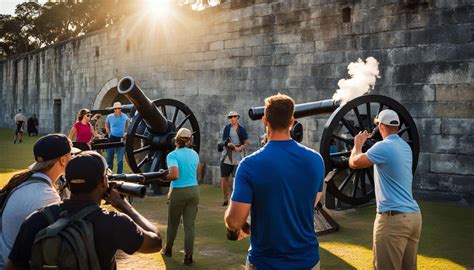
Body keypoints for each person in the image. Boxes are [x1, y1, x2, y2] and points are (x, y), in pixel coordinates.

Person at [7, 151, 162, 269]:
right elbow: (156, 242)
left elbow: (12, 266)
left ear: (68, 182)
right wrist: (124, 206)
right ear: (104, 182)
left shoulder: (37, 218)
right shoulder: (114, 223)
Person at [224, 94, 325, 269]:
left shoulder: (249, 165)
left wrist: (238, 223)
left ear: (264, 121)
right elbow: (311, 202)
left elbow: (234, 221)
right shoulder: (316, 159)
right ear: (292, 121)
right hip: (307, 260)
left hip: (266, 261)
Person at [349, 109, 422, 270]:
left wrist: (358, 144)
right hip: (414, 217)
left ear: (381, 127)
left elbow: (354, 162)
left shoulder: (383, 147)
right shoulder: (405, 147)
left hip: (393, 219)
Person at [0, 134, 80, 268]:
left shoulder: (26, 182)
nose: (72, 158)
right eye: (70, 155)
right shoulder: (46, 196)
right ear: (62, 160)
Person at [161, 128, 200, 265]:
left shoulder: (172, 155)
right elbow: (197, 173)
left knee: (173, 224)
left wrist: (163, 176)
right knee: (189, 226)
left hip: (179, 191)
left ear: (176, 139)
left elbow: (175, 175)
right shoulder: (195, 154)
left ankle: (168, 250)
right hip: (194, 190)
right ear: (190, 140)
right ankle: (188, 256)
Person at [219, 111, 249, 206]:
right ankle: (225, 198)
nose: (232, 118)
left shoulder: (241, 129)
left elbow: (246, 142)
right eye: (230, 117)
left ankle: (235, 198)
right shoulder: (227, 128)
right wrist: (230, 145)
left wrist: (240, 147)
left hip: (238, 155)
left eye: (234, 116)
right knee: (224, 178)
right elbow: (224, 141)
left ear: (237, 117)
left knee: (236, 178)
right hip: (228, 153)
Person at [106, 102, 129, 174]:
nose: (117, 110)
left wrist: (126, 132)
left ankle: (119, 175)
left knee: (120, 160)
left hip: (121, 139)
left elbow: (128, 126)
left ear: (121, 109)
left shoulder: (125, 116)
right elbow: (106, 125)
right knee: (109, 159)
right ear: (114, 109)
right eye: (115, 108)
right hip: (112, 138)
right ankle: (109, 175)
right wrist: (109, 133)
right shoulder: (110, 117)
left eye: (119, 108)